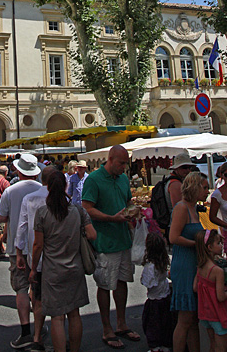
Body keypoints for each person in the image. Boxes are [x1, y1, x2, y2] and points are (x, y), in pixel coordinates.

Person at [29, 170, 96, 352]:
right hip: (75, 267)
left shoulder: (42, 212)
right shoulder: (77, 211)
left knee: (57, 317)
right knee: (74, 314)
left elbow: (38, 245)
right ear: (66, 186)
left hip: (53, 270)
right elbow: (92, 234)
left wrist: (33, 269)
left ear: (48, 187)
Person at [82, 145, 140, 348]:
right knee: (105, 285)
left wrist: (133, 212)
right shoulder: (94, 179)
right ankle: (107, 329)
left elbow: (127, 202)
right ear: (110, 159)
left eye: (125, 163)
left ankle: (121, 323)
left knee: (122, 281)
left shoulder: (123, 179)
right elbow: (87, 209)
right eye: (121, 163)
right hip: (105, 242)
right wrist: (111, 218)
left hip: (123, 239)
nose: (124, 167)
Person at [0, 154, 42, 349]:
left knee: (21, 288)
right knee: (38, 289)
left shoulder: (10, 191)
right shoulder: (42, 190)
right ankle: (40, 331)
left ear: (18, 170)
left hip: (18, 247)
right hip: (40, 245)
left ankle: (25, 331)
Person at [15, 165, 57, 351]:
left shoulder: (30, 198)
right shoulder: (63, 199)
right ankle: (60, 341)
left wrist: (19, 252)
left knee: (38, 298)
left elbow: (22, 226)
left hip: (37, 257)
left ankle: (38, 337)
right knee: (60, 302)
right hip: (59, 258)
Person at [169, 172, 209, 352]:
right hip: (184, 265)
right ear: (195, 187)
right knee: (185, 319)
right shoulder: (182, 208)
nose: (207, 191)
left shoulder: (193, 208)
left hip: (193, 263)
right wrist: (198, 244)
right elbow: (173, 237)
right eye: (205, 187)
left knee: (193, 318)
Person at [194, 229, 227, 352]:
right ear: (209, 247)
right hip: (218, 315)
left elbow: (195, 287)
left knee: (213, 345)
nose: (221, 246)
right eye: (218, 243)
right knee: (221, 348)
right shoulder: (217, 271)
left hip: (206, 314)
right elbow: (221, 297)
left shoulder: (200, 266)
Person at [141, 232, 173, 352]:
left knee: (152, 325)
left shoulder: (150, 266)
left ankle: (155, 346)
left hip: (154, 300)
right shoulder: (163, 262)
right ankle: (165, 344)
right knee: (165, 323)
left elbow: (148, 283)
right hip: (165, 297)